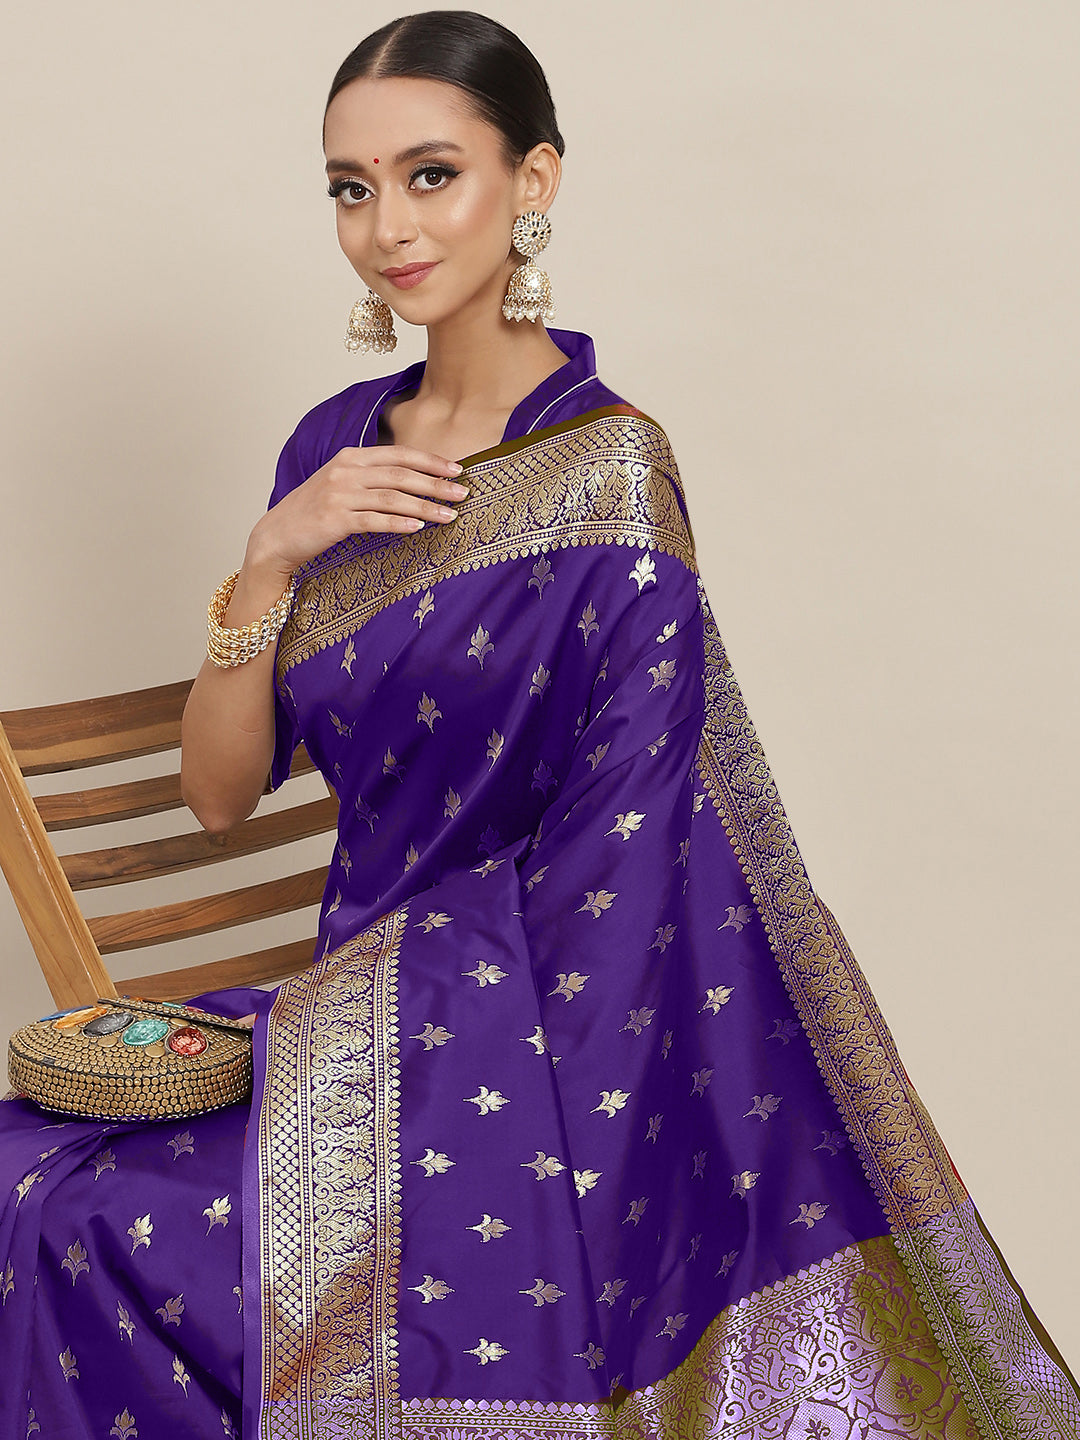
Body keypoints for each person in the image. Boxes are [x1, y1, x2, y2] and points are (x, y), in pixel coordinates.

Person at [1, 11, 1077, 1438]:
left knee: (111, 1228)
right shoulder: (329, 451)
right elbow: (219, 796)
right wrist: (266, 561)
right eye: (350, 187)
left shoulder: (612, 470)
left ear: (536, 179)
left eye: (431, 175)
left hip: (531, 1032)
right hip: (345, 1012)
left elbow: (626, 857)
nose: (388, 227)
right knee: (29, 1181)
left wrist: (394, 1020)